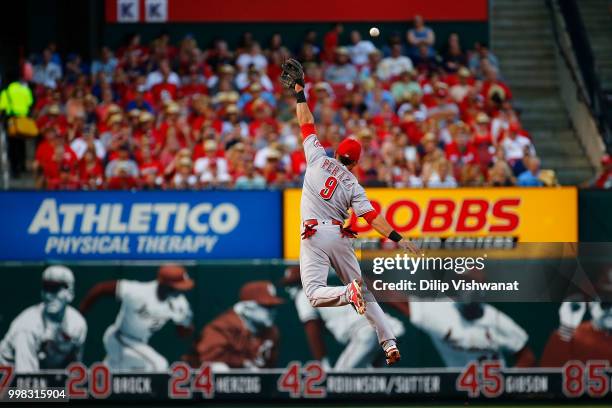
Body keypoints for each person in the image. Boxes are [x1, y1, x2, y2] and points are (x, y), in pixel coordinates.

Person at [279, 58, 419, 365]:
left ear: (337, 151)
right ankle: (390, 343)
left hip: (314, 234)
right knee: (365, 294)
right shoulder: (354, 184)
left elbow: (306, 122)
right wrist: (398, 236)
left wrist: (300, 91)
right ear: (354, 162)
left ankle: (346, 294)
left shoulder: (317, 157)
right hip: (339, 235)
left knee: (314, 294)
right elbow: (372, 219)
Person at [281, 266, 405, 369]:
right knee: (373, 382)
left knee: (338, 381)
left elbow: (312, 329)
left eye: (293, 284)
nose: (290, 289)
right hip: (388, 329)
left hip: (366, 332)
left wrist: (322, 363)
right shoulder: (331, 284)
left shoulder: (304, 295)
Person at [79, 264, 194, 372]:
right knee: (159, 366)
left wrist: (186, 323)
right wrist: (80, 314)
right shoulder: (139, 292)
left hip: (139, 344)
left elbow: (183, 333)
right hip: (119, 337)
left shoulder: (179, 303)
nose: (180, 290)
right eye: (177, 287)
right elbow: (101, 289)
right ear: (164, 285)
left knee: (112, 377)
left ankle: (97, 383)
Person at [0, 266, 87, 373]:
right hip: (8, 380)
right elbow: (26, 381)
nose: (49, 296)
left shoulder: (77, 324)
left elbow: (74, 372)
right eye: (46, 289)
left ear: (70, 294)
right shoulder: (27, 326)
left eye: (55, 290)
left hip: (44, 378)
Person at [185, 281, 282, 370]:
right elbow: (207, 359)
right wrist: (243, 364)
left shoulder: (271, 331)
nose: (273, 312)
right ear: (246, 308)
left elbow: (269, 367)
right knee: (219, 368)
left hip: (251, 383)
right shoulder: (222, 327)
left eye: (274, 307)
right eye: (267, 307)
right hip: (200, 382)